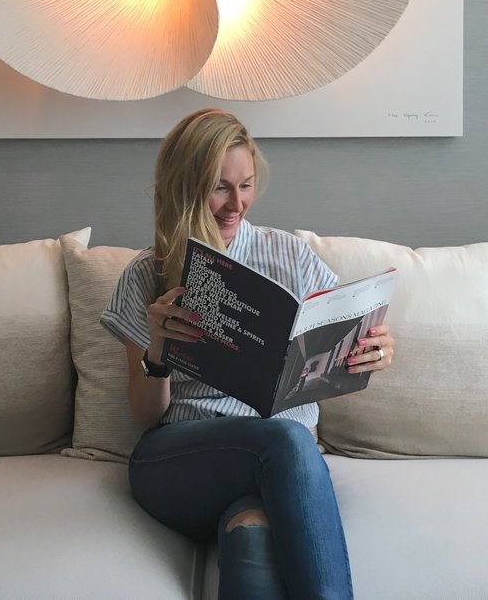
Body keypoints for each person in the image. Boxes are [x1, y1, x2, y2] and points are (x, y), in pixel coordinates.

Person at [100, 108, 395, 600]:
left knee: (252, 526)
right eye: (219, 187)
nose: (235, 204)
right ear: (184, 186)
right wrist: (158, 348)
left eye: (246, 185)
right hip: (181, 459)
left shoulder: (292, 257)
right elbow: (146, 415)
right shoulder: (146, 273)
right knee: (284, 441)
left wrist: (375, 349)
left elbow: (343, 339)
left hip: (279, 465)